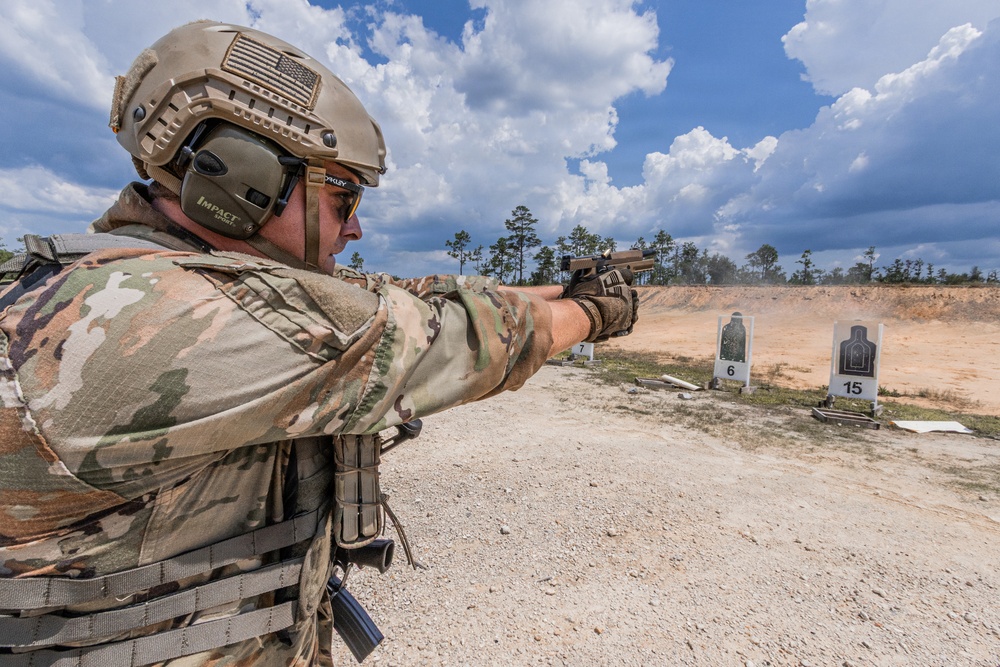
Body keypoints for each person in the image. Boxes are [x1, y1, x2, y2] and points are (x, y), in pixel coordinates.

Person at [0, 20, 638, 666]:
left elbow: (396, 293)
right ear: (242, 180)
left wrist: (563, 290)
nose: (356, 225)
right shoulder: (192, 316)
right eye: (342, 195)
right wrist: (595, 312)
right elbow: (456, 337)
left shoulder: (110, 283)